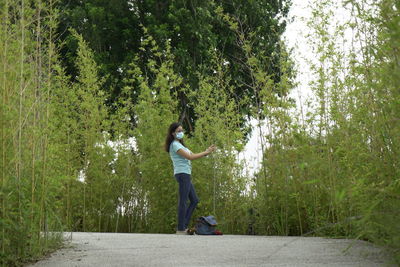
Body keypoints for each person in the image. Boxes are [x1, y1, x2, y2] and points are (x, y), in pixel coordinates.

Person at [165, 122, 216, 235]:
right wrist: (206, 152)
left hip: (186, 174)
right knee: (183, 201)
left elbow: (194, 154)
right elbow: (190, 157)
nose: (181, 133)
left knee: (194, 200)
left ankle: (184, 226)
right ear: (173, 133)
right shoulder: (175, 145)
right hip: (182, 174)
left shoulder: (181, 145)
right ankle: (181, 228)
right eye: (178, 131)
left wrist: (207, 151)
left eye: (182, 130)